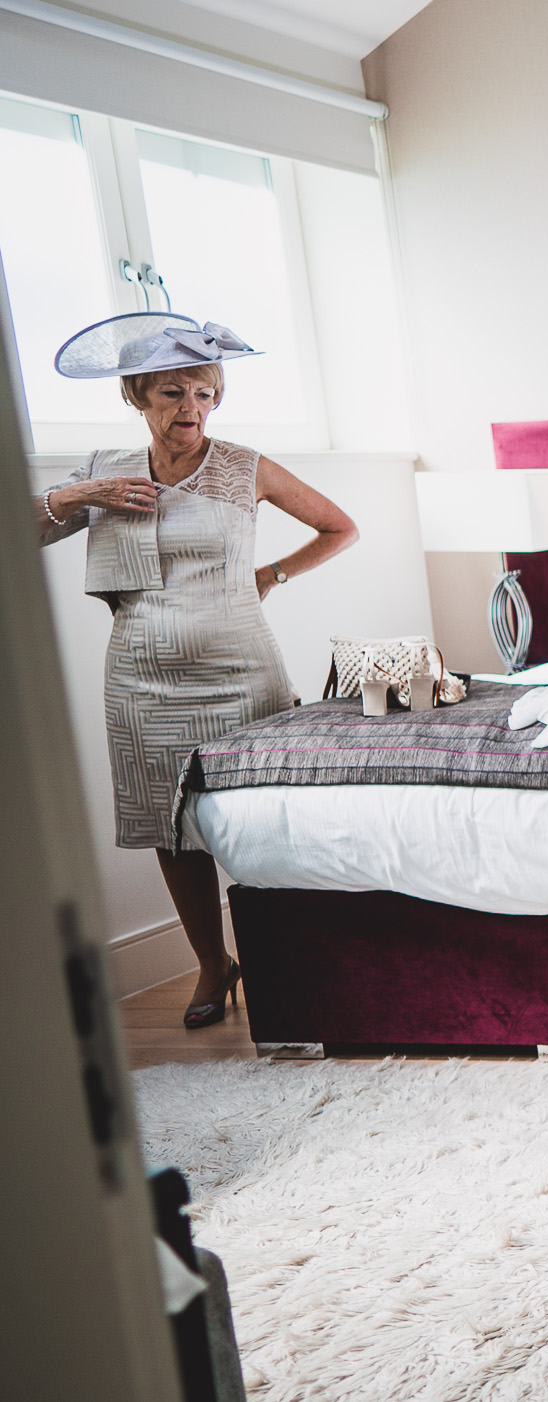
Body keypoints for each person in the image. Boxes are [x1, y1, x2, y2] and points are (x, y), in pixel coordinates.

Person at [35, 314, 358, 1029]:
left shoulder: (246, 466)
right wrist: (84, 497)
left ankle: (297, 960)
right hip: (141, 679)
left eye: (205, 393)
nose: (191, 409)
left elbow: (340, 526)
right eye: (173, 394)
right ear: (137, 398)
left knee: (266, 818)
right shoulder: (102, 469)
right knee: (170, 826)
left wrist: (271, 573)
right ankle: (214, 965)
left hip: (242, 670)